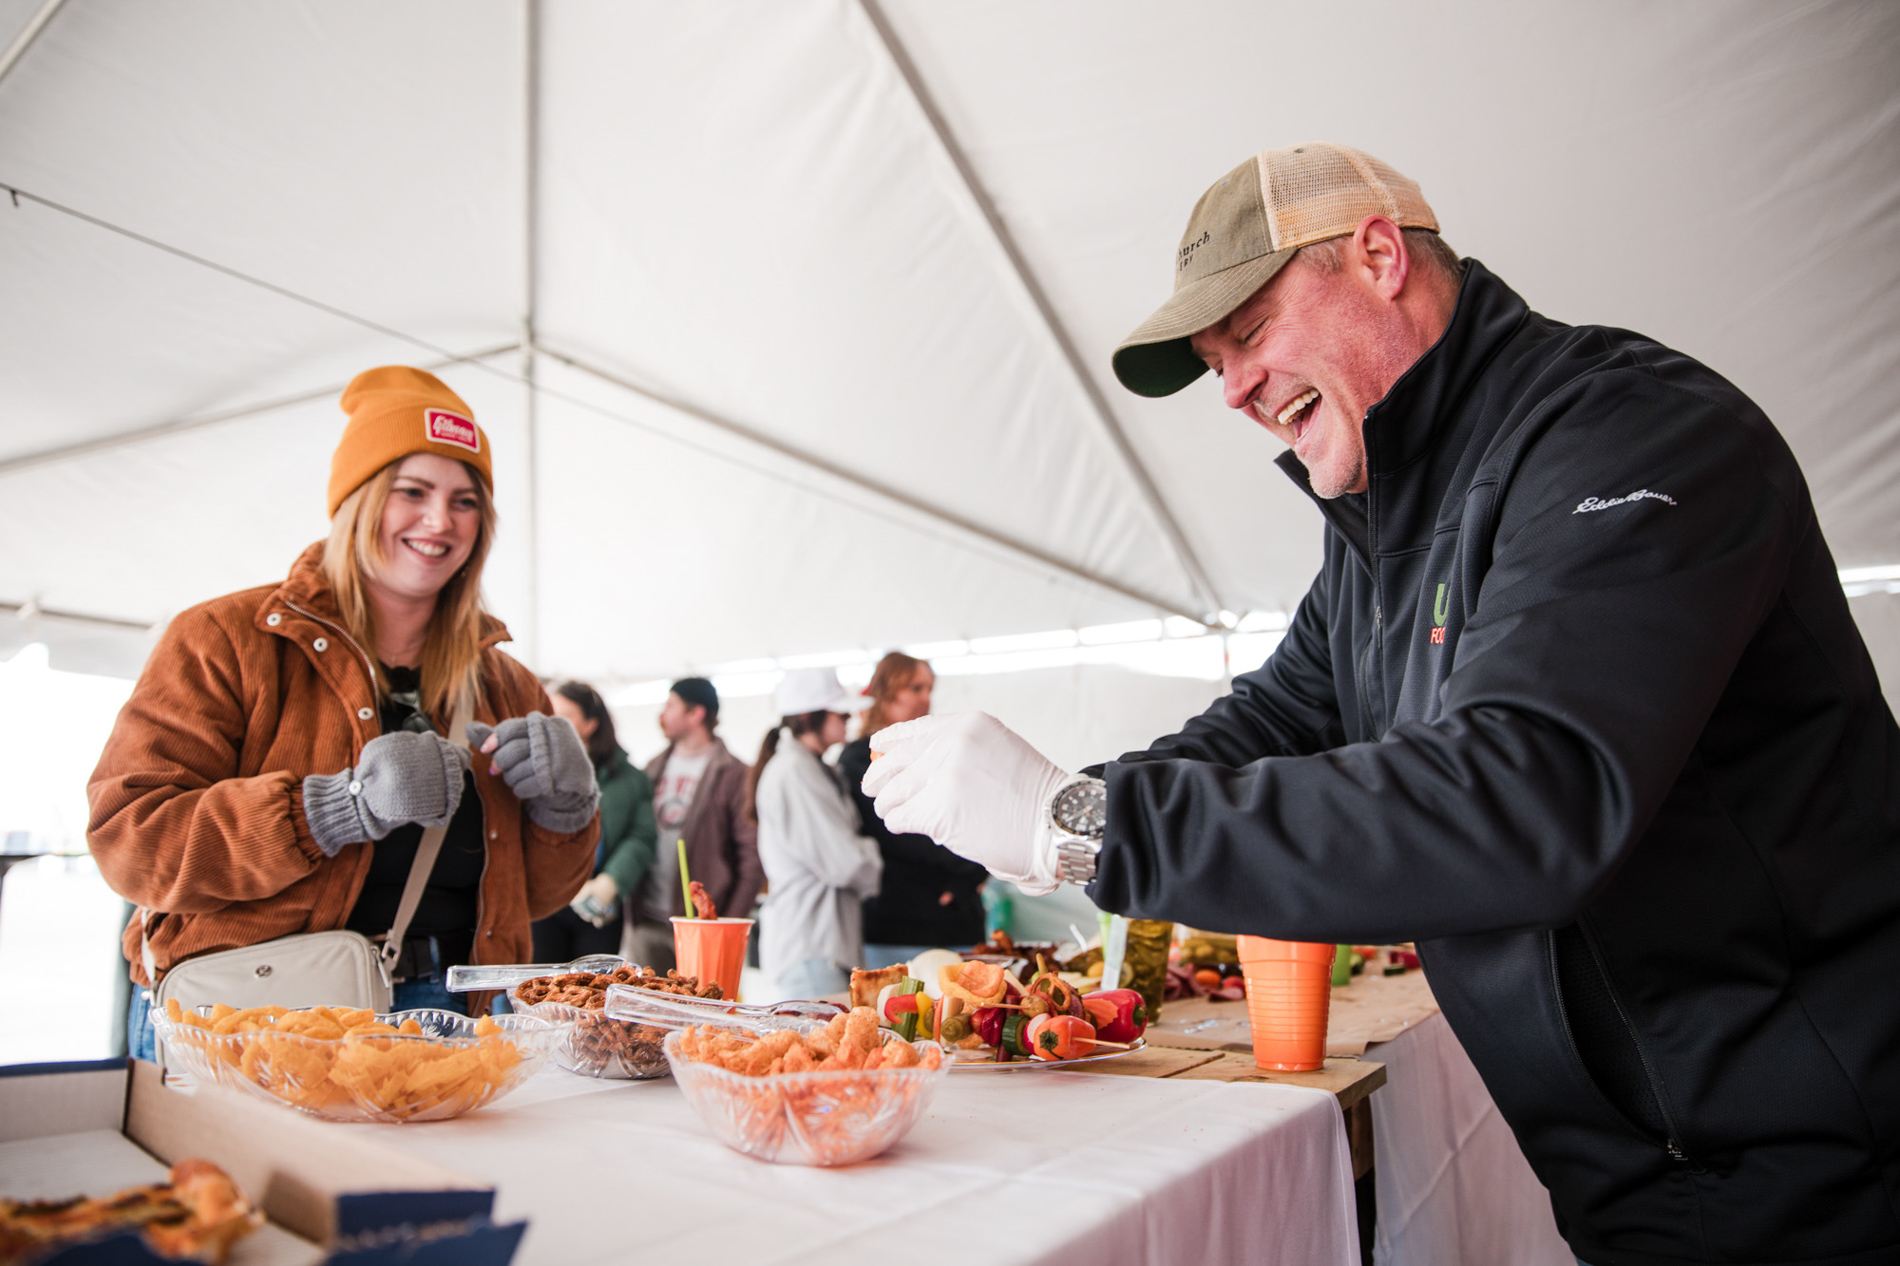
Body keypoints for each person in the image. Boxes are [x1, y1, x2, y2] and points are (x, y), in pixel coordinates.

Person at [864, 144, 1900, 1264]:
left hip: (1827, 1159)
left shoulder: (1630, 433)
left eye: (1250, 334)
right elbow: (1267, 723)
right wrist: (1069, 808)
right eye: (1214, 362)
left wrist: (1085, 829)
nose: (1233, 389)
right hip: (1639, 1178)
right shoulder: (1380, 540)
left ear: (1376, 255)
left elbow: (1529, 794)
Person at [89, 366, 600, 1057]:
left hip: (457, 1024)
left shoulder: (505, 683)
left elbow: (535, 898)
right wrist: (331, 809)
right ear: (358, 500)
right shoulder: (225, 639)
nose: (439, 521)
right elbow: (131, 840)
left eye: (464, 501)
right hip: (259, 1016)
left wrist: (568, 808)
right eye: (410, 492)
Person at [837, 653, 986, 966]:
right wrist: (971, 860)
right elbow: (897, 828)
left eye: (929, 688)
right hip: (898, 927)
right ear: (887, 690)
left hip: (958, 922)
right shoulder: (858, 759)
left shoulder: (940, 750)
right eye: (916, 688)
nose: (926, 699)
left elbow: (977, 812)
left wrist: (976, 866)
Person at [749, 668, 881, 999]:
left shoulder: (813, 768)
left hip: (822, 948)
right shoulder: (794, 772)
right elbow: (846, 863)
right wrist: (872, 855)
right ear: (810, 717)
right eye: (841, 712)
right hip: (810, 951)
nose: (849, 719)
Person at [627, 677, 763, 970]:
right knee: (647, 1012)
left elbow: (752, 857)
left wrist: (727, 925)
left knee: (701, 1013)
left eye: (671, 705)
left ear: (696, 713)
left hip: (702, 928)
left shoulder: (734, 774)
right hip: (647, 921)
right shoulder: (653, 767)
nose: (662, 715)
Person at [533, 680, 656, 963]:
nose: (552, 724)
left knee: (593, 993)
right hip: (546, 900)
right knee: (541, 993)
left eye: (563, 716)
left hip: (599, 903)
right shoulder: (534, 773)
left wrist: (610, 883)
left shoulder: (629, 779)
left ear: (590, 724)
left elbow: (641, 836)